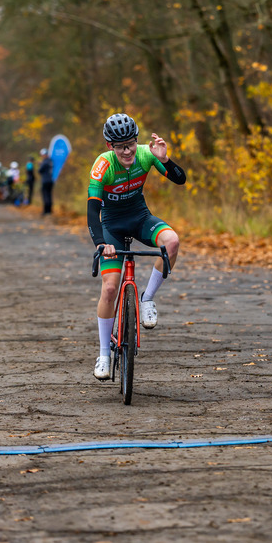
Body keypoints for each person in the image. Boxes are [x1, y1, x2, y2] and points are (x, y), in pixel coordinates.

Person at [87, 113, 186, 379]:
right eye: (120, 147)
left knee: (172, 241)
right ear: (110, 146)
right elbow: (92, 212)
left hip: (140, 218)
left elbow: (181, 179)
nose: (127, 151)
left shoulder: (146, 154)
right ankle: (104, 354)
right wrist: (101, 243)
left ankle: (147, 299)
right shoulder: (103, 165)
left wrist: (165, 160)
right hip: (112, 227)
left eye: (130, 144)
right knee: (110, 288)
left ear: (136, 141)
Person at [39, 148, 54, 215]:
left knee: (45, 195)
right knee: (49, 195)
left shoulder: (45, 162)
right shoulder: (51, 161)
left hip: (45, 181)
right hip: (51, 180)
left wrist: (41, 164)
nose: (42, 156)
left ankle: (46, 211)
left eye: (42, 155)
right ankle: (49, 210)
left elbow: (40, 170)